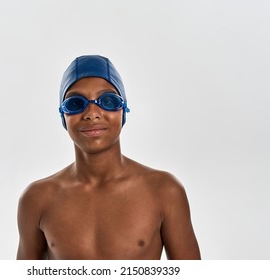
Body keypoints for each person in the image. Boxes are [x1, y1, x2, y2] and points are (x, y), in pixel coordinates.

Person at [16, 55, 201, 260]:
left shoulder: (164, 191)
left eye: (108, 101)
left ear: (123, 110)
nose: (92, 113)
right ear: (63, 116)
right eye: (76, 103)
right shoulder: (37, 199)